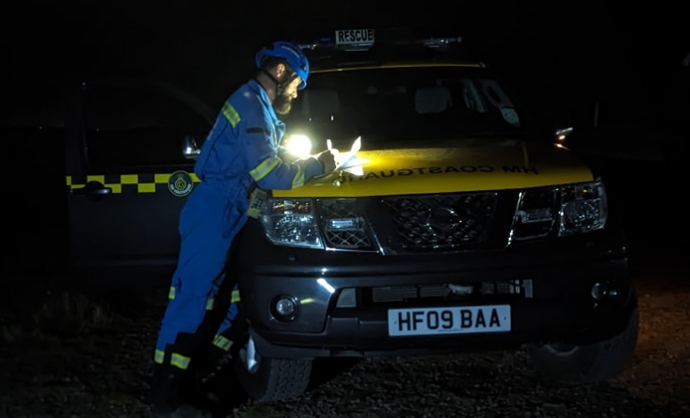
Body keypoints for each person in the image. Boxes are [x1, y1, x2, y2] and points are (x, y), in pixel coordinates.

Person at [150, 41, 336, 418]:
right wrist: (318, 166)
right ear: (281, 71)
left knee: (233, 299)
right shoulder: (250, 104)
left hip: (232, 208)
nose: (297, 93)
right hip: (215, 208)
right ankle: (166, 397)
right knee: (192, 297)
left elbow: (262, 164)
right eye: (298, 83)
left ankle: (192, 381)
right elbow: (270, 173)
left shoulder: (260, 108)